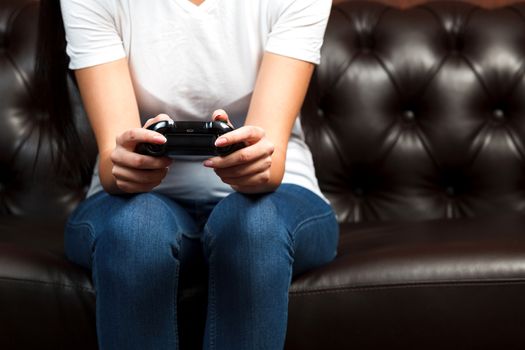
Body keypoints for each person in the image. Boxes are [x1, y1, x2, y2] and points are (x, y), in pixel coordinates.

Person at [48, 0, 338, 348]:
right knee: (136, 229)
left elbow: (268, 169)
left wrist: (250, 161)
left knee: (253, 225)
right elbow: (116, 163)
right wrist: (127, 164)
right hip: (133, 201)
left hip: (279, 196)